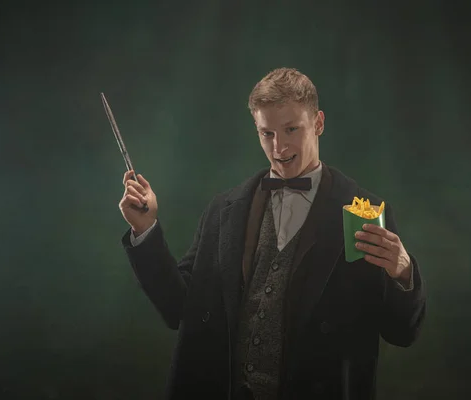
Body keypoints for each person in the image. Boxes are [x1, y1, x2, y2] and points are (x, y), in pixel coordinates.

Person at [119, 68, 426, 400]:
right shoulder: (224, 209)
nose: (279, 147)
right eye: (267, 133)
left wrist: (403, 272)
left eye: (291, 129)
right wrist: (145, 228)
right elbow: (178, 308)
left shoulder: (365, 212)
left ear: (319, 123)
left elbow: (402, 332)